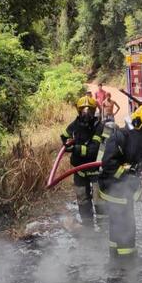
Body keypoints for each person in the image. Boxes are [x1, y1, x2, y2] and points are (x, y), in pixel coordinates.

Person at [98, 103, 142, 259]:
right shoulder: (119, 137)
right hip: (113, 188)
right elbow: (108, 165)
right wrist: (129, 172)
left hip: (122, 189)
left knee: (117, 224)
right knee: (125, 224)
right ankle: (127, 260)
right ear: (139, 125)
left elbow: (140, 159)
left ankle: (115, 257)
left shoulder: (137, 140)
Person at [61, 96, 104, 226]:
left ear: (94, 111)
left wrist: (76, 148)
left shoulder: (99, 127)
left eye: (90, 110)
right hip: (79, 170)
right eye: (83, 110)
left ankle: (103, 227)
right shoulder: (74, 126)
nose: (86, 113)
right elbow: (64, 137)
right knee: (82, 199)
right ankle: (88, 228)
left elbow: (94, 150)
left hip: (95, 169)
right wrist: (66, 143)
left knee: (99, 200)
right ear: (78, 111)